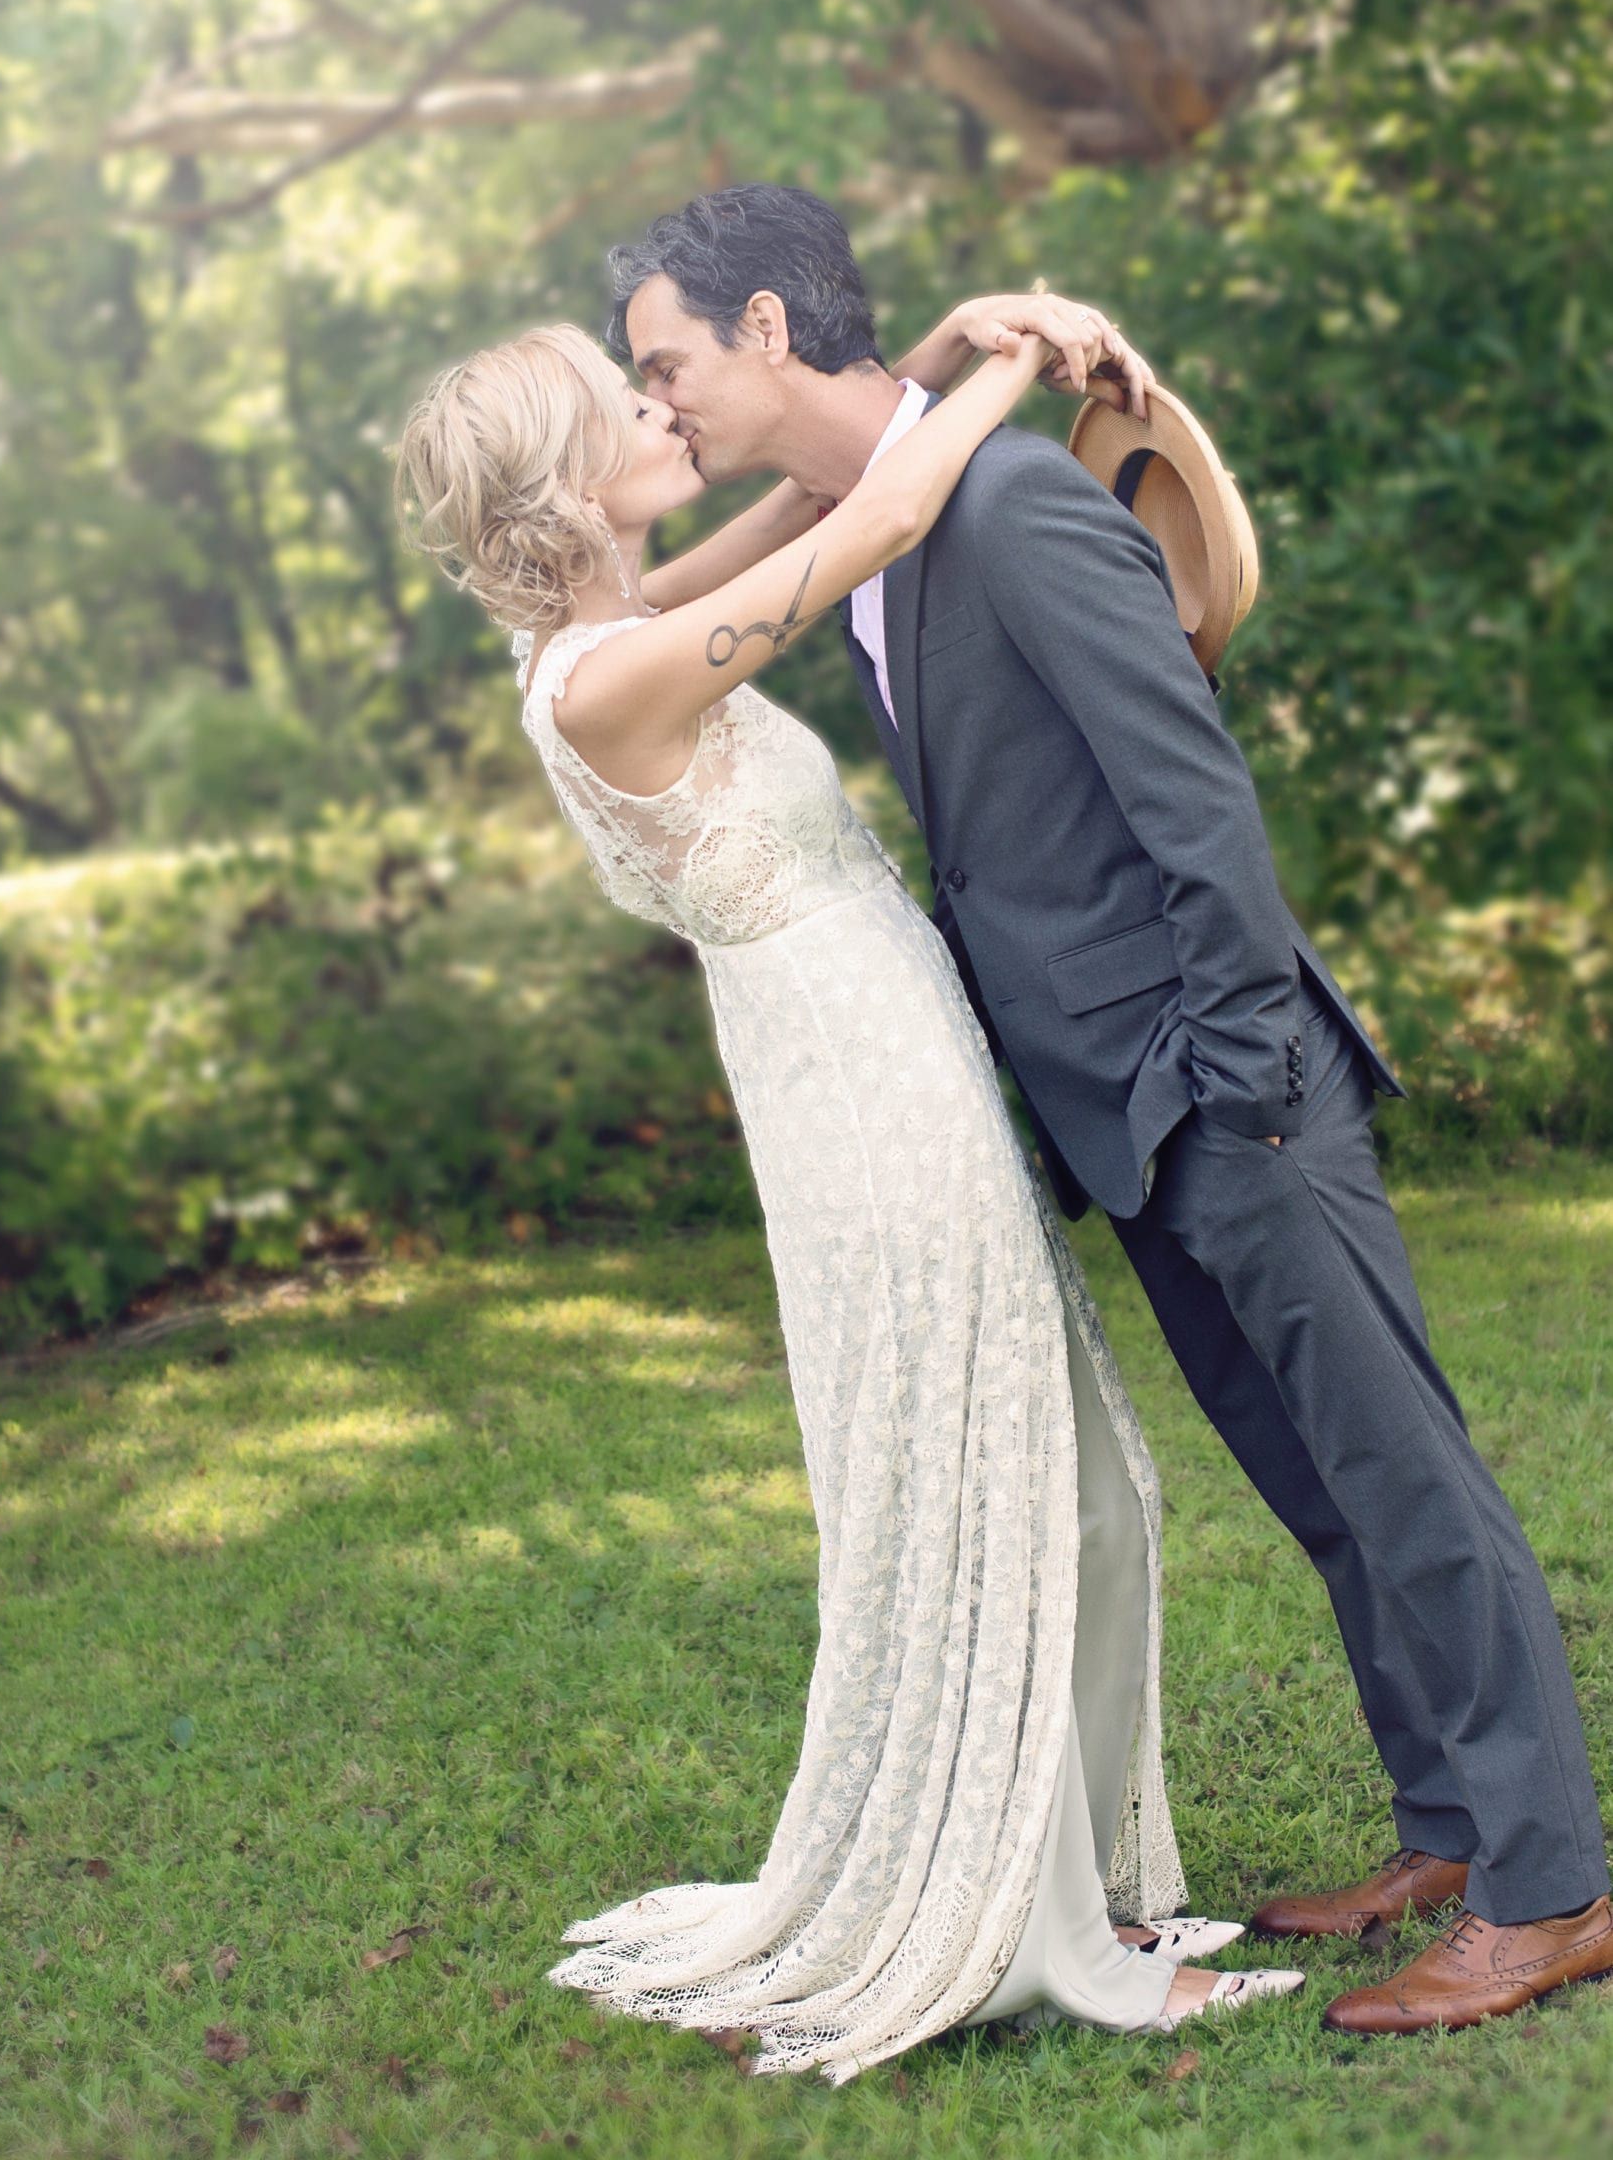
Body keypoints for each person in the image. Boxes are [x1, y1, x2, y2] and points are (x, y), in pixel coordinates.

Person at [605, 182, 1612, 2040]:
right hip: (1116, 1116)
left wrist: (1239, 1070)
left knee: (1405, 1474)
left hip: (1222, 1088)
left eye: (667, 361)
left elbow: (1191, 793)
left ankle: (1553, 1893)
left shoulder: (1008, 500)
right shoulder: (884, 519)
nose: (655, 404)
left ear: (764, 326)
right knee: (1318, 1491)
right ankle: (1452, 1825)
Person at [393, 300, 1302, 2086]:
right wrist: (1019, 359)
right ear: (567, 489)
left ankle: (1075, 1890)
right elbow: (875, 528)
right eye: (623, 402)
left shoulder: (620, 624)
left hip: (889, 1049)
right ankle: (1036, 1937)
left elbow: (825, 499)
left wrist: (939, 340)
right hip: (862, 1087)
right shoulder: (614, 674)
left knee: (1091, 1489)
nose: (665, 409)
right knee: (1022, 1488)